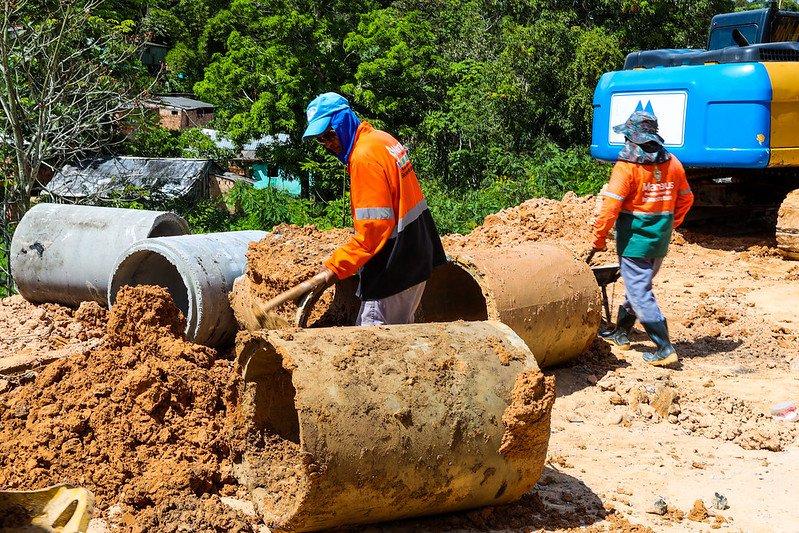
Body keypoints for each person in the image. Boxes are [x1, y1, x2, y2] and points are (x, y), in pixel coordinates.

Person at [302, 92, 446, 326]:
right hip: (415, 255)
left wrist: (335, 266)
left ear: (344, 121)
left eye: (329, 135)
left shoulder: (364, 158)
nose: (329, 144)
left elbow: (373, 231)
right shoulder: (382, 140)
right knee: (397, 340)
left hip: (393, 268)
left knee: (372, 345)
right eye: (321, 140)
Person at [592, 111, 694, 367]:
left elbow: (610, 208)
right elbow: (686, 199)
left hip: (634, 241)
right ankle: (621, 334)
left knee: (639, 291)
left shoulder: (627, 168)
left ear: (632, 138)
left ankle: (663, 347)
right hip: (659, 241)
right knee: (636, 287)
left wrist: (598, 238)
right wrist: (671, 224)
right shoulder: (673, 164)